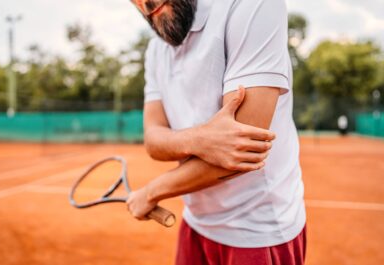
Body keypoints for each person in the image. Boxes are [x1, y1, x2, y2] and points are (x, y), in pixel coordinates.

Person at [127, 0, 307, 264]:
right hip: (196, 224)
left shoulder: (251, 4)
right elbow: (153, 139)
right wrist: (199, 139)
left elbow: (243, 148)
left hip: (258, 233)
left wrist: (151, 192)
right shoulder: (155, 50)